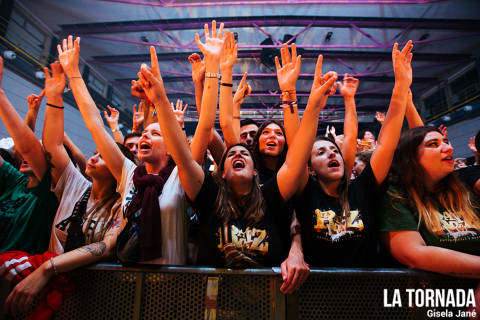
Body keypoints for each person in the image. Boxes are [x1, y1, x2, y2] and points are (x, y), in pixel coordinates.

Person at [136, 22, 337, 292]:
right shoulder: (209, 196)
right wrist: (161, 101)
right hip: (212, 304)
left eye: (243, 153)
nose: (238, 153)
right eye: (231, 155)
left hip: (268, 306)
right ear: (221, 171)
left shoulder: (270, 196)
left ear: (255, 171)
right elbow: (187, 153)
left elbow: (297, 157)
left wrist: (307, 103)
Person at [3, 58, 135, 316]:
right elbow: (51, 146)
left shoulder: (124, 201)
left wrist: (47, 268)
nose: (94, 157)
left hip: (99, 297)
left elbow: (106, 246)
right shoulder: (76, 186)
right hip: (47, 293)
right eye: (94, 152)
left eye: (103, 155)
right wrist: (55, 97)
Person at [55, 35, 188, 264]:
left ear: (171, 149)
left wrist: (159, 98)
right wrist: (74, 73)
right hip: (126, 281)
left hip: (171, 287)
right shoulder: (130, 176)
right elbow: (95, 125)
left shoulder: (180, 176)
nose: (145, 134)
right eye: (146, 132)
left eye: (156, 134)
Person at [294, 41, 413, 267]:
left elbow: (386, 144)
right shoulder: (305, 193)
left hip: (365, 293)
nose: (332, 154)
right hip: (315, 296)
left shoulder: (362, 189)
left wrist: (400, 87)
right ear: (309, 168)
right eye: (321, 152)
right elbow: (298, 147)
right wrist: (314, 104)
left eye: (334, 150)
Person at [379, 125, 480, 277]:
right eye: (433, 144)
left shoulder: (465, 190)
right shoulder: (395, 196)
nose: (449, 148)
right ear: (410, 157)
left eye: (446, 141)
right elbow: (413, 254)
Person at [0, 56, 58, 254]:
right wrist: (32, 113)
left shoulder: (48, 193)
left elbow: (27, 147)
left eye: (37, 154)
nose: (25, 157)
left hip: (15, 275)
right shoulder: (14, 182)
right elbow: (21, 148)